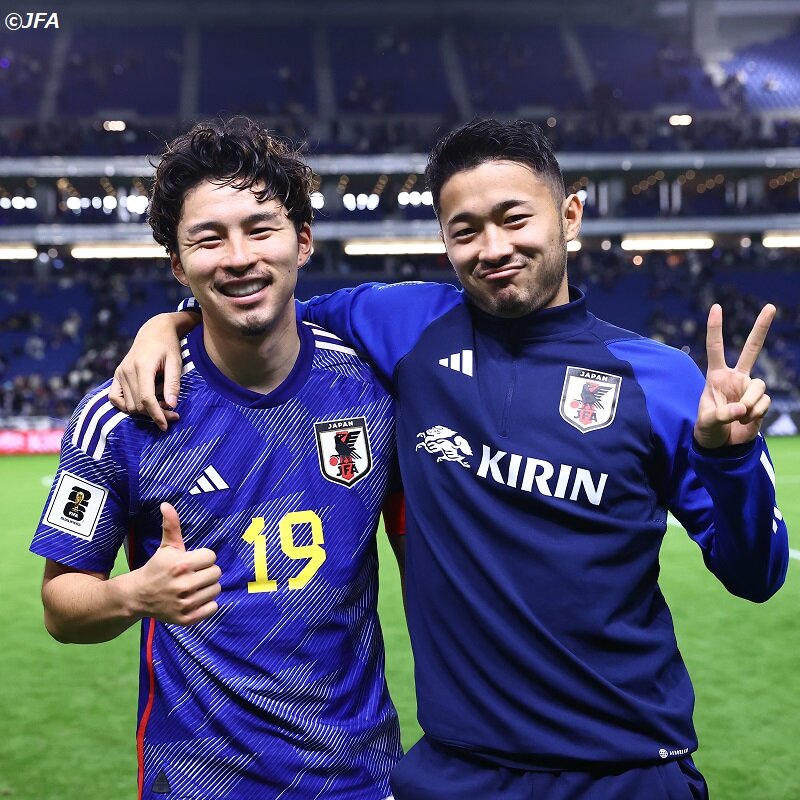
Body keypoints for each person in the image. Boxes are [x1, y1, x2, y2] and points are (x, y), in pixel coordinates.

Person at [111, 118, 789, 800]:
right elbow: (257, 299)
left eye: (514, 219)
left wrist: (729, 461)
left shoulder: (663, 380)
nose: (493, 247)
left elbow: (755, 575)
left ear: (570, 215)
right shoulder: (403, 326)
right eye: (465, 229)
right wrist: (165, 325)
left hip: (627, 768)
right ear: (443, 240)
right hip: (459, 772)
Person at [30, 117, 405, 800]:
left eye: (260, 229)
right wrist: (130, 594)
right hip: (200, 783)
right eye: (208, 238)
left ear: (303, 240)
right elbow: (61, 606)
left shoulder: (373, 389)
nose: (237, 257)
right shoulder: (120, 417)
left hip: (360, 779)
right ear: (178, 263)